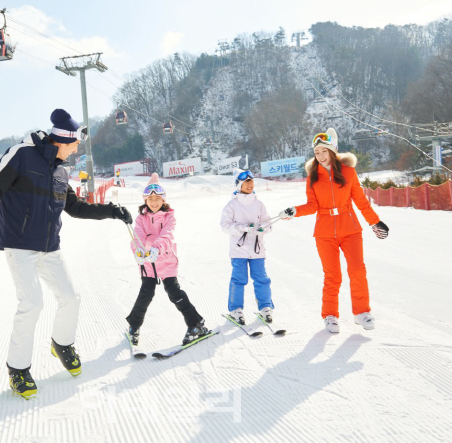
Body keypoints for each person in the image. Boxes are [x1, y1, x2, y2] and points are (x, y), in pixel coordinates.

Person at [0, 108, 133, 399]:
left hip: (49, 247)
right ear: (62, 142)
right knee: (32, 303)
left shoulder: (61, 171)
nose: (77, 149)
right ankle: (18, 369)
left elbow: (76, 208)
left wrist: (111, 211)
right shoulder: (22, 155)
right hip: (20, 245)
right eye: (75, 144)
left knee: (70, 297)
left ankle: (62, 344)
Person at [279, 128, 389, 333]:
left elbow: (360, 201)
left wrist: (375, 222)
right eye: (317, 152)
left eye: (324, 151)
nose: (320, 156)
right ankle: (330, 316)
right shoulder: (313, 177)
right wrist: (294, 211)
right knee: (333, 275)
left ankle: (361, 313)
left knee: (357, 271)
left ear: (333, 152)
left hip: (350, 229)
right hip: (325, 232)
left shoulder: (348, 172)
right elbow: (312, 206)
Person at [126, 173, 209, 347]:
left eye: (157, 198)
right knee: (145, 295)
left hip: (166, 261)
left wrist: (156, 248)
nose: (154, 202)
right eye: (150, 199)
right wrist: (138, 252)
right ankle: (134, 326)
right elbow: (137, 237)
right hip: (148, 264)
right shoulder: (141, 219)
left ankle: (195, 324)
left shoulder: (169, 217)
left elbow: (167, 235)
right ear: (145, 201)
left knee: (174, 293)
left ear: (163, 200)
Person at [220, 169, 275, 325]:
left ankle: (265, 307)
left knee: (261, 279)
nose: (249, 185)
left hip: (257, 250)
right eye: (246, 182)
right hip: (239, 251)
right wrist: (243, 228)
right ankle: (235, 309)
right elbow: (225, 226)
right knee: (238, 280)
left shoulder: (258, 204)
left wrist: (262, 228)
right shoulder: (232, 205)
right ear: (239, 185)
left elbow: (268, 224)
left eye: (251, 182)